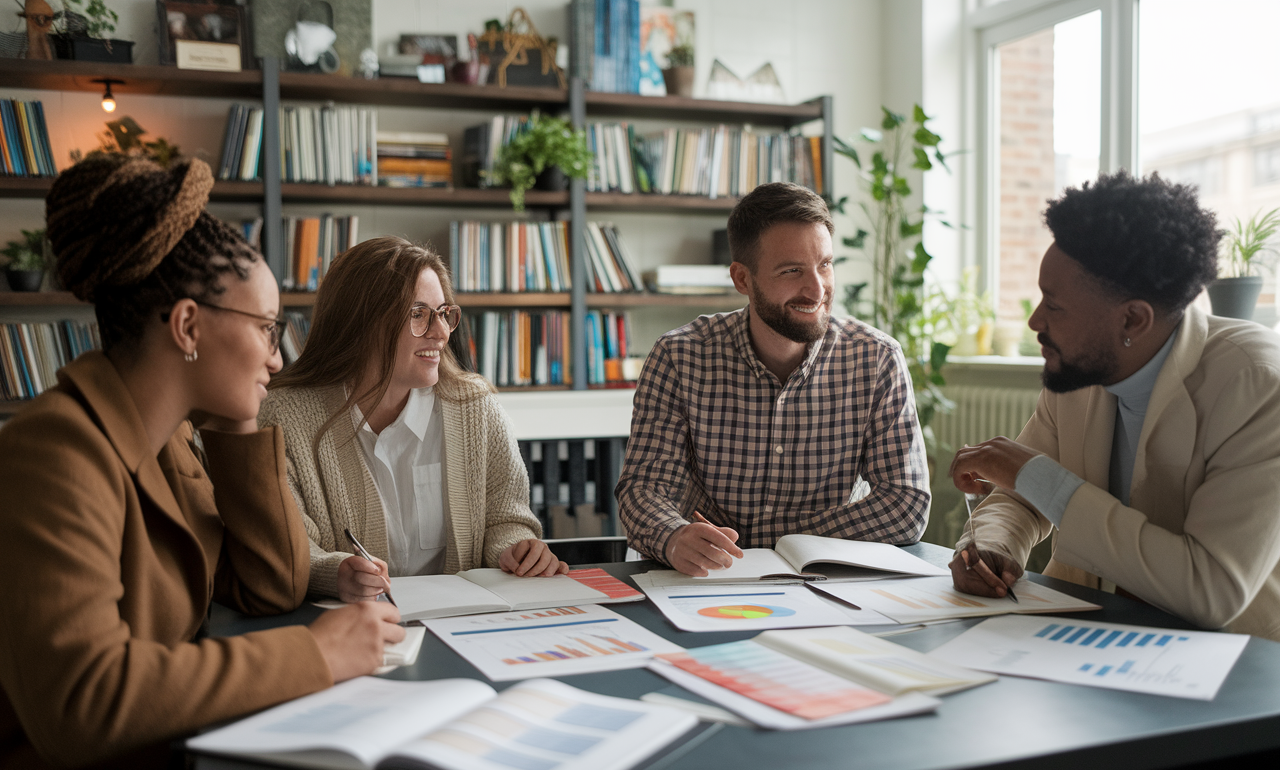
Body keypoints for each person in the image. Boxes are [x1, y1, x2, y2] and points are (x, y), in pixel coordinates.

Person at [0, 154, 402, 770]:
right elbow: (82, 701)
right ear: (188, 325)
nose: (278, 355)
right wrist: (316, 656)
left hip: (180, 765)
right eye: (268, 329)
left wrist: (235, 421)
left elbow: (271, 586)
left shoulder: (173, 442)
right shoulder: (55, 451)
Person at [949, 171, 1280, 644]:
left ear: (1132, 318)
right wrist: (992, 548)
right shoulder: (1079, 370)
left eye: (1055, 306)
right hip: (1086, 639)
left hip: (1233, 664)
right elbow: (1020, 496)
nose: (1034, 321)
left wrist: (1035, 475)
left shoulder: (1258, 384)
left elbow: (1213, 591)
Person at [616, 182, 931, 576]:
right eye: (792, 271)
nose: (817, 289)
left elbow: (905, 502)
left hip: (829, 576)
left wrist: (784, 542)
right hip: (710, 575)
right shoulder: (679, 356)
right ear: (742, 279)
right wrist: (674, 537)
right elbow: (644, 489)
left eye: (825, 264)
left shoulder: (876, 358)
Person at [258, 236, 566, 604]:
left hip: (464, 628)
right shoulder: (283, 418)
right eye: (418, 314)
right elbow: (285, 542)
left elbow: (506, 517)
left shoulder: (476, 407)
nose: (441, 333)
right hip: (349, 632)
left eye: (443, 313)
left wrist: (515, 548)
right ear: (360, 323)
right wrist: (334, 571)